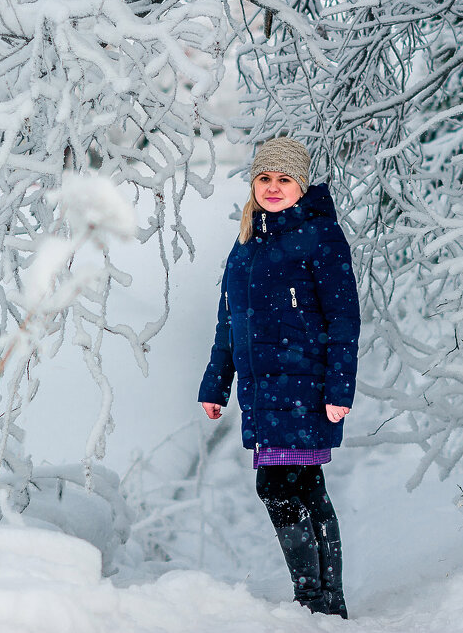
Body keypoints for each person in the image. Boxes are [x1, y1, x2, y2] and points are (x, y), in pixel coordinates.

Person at [198, 136, 360, 619]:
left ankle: (312, 599)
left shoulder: (320, 236)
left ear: (301, 185)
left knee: (277, 485)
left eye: (284, 179)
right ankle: (327, 604)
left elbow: (344, 319)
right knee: (304, 483)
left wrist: (339, 390)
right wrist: (215, 384)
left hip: (303, 387)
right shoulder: (247, 239)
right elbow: (230, 320)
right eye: (265, 178)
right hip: (262, 389)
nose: (273, 187)